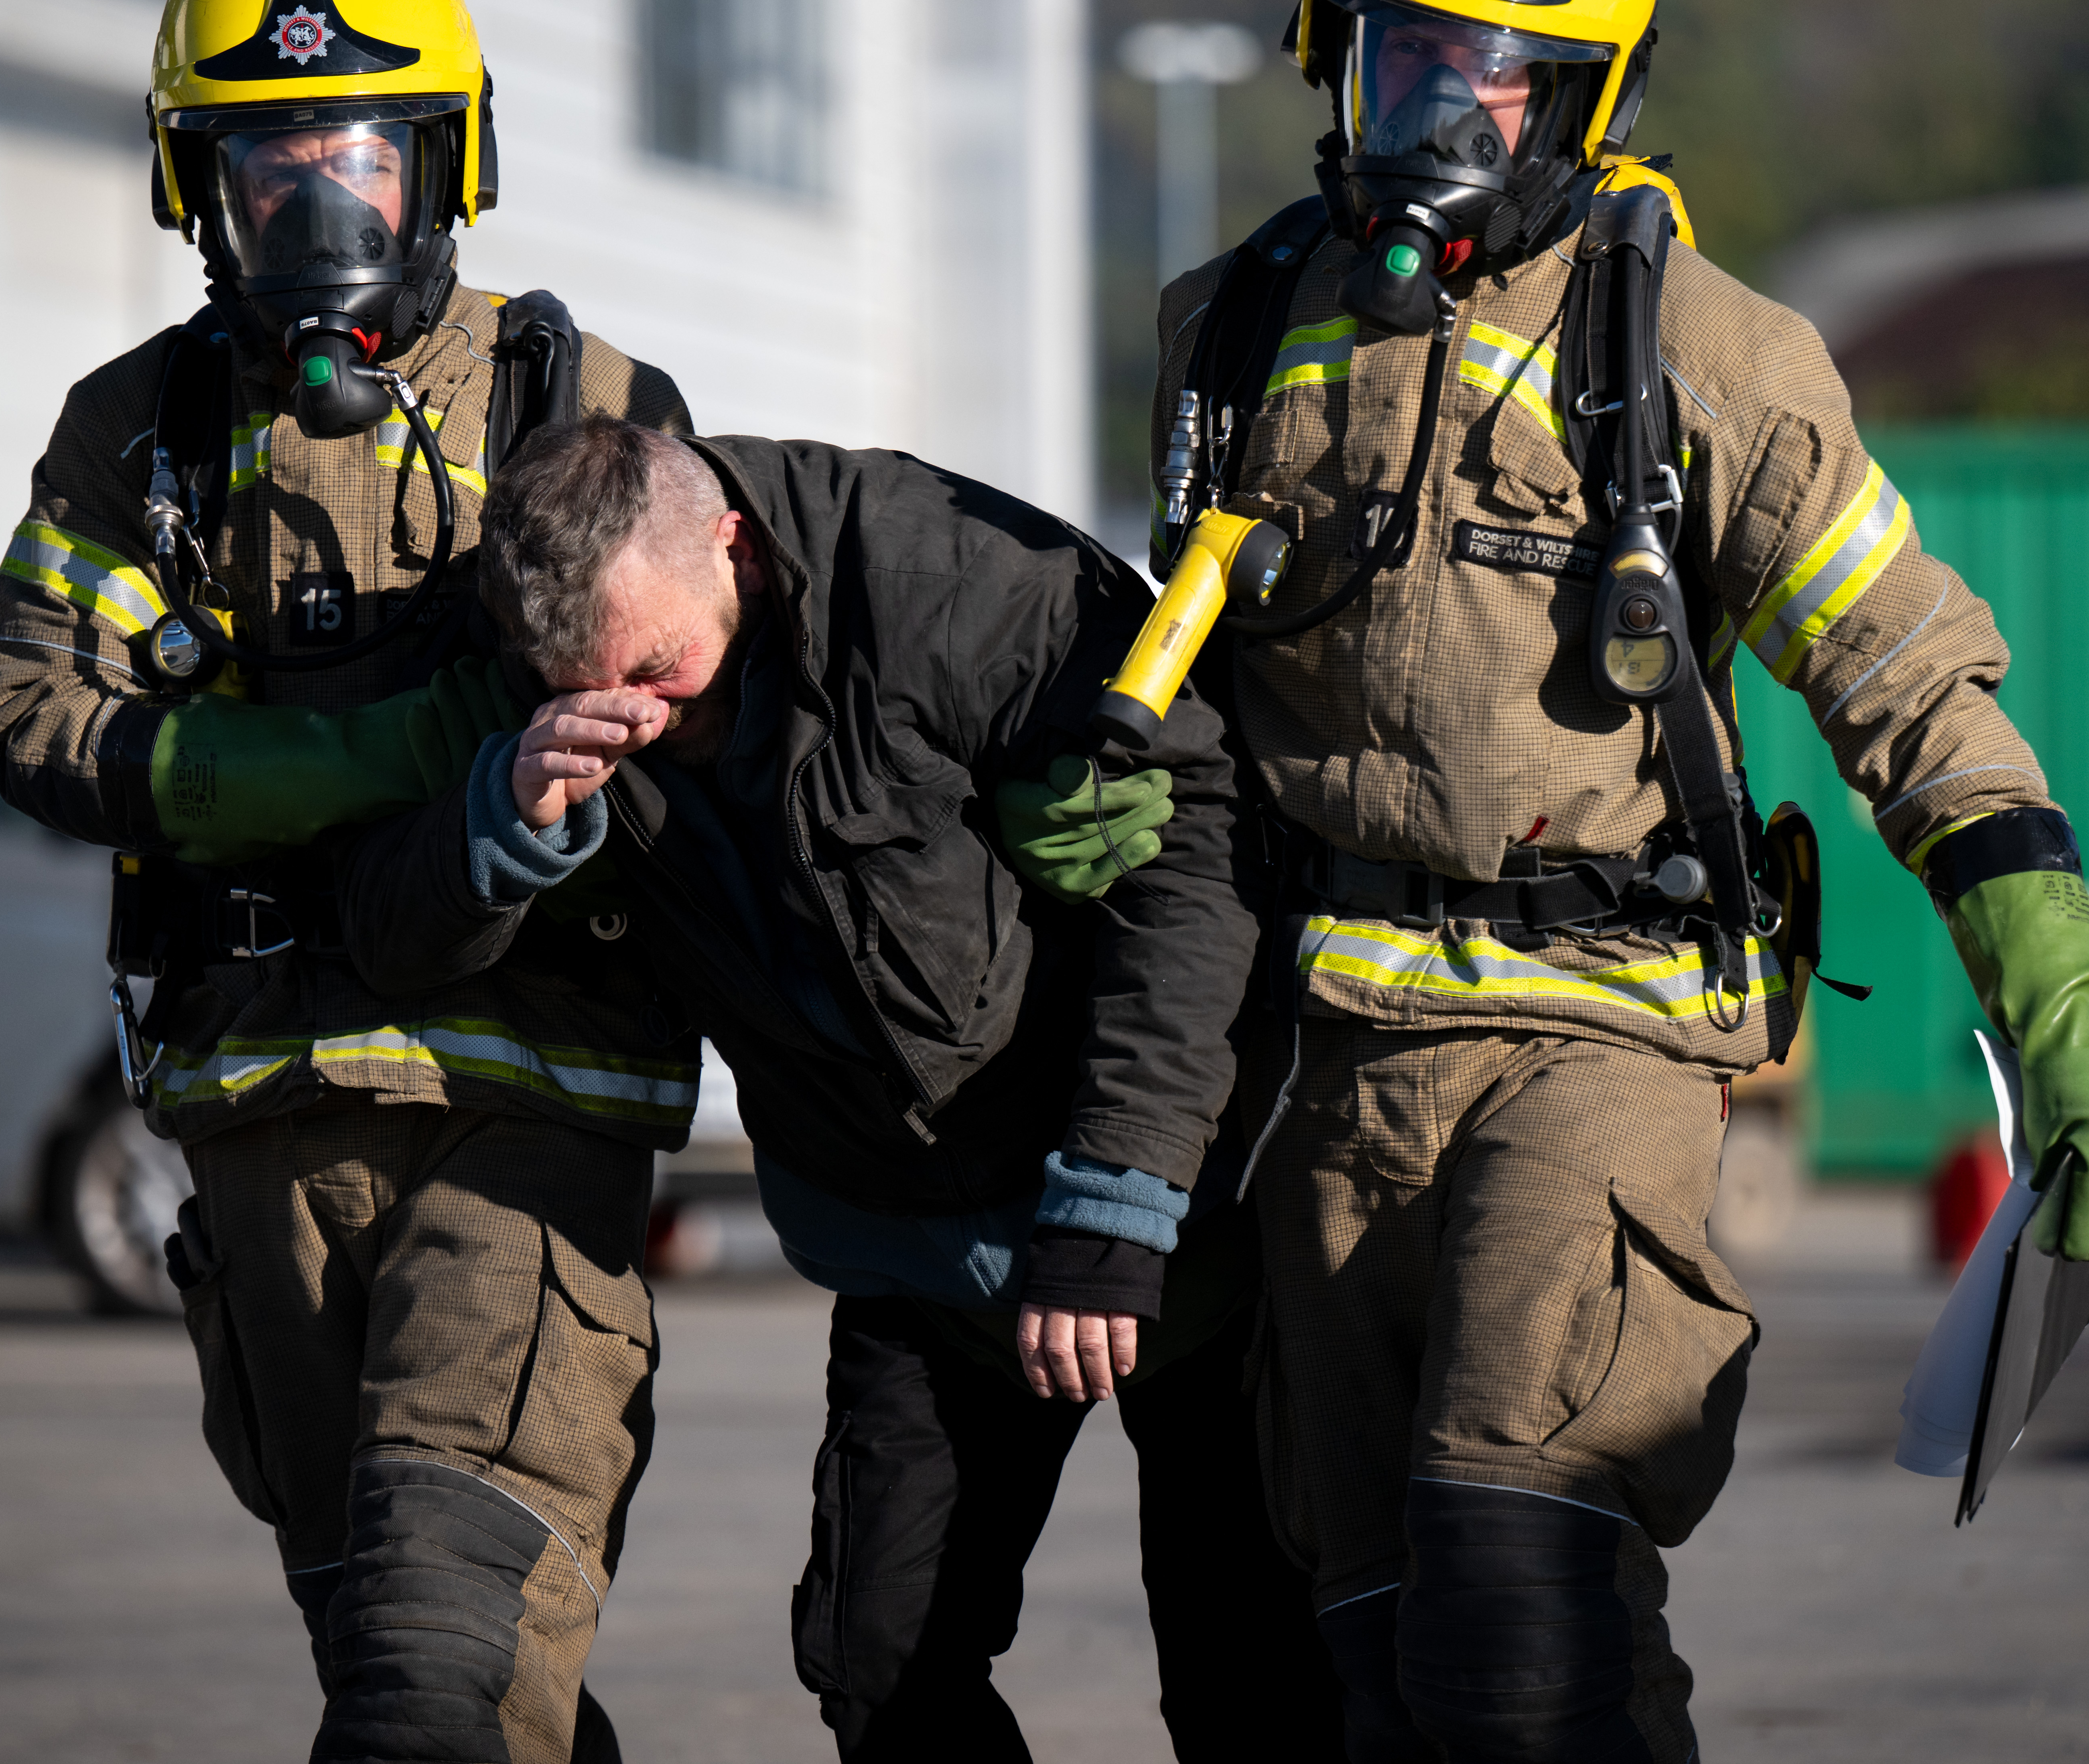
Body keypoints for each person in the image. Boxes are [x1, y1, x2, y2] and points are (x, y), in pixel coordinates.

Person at [1141, 0, 2089, 1760]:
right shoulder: (1235, 337)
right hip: (1326, 1069)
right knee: (1382, 1669)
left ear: (1583, 97)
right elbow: (1181, 694)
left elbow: (1910, 678)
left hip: (1597, 1039)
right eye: (1394, 59)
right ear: (1321, 49)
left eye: (1493, 79)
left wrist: (2059, 995)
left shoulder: (1705, 358)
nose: (1434, 120)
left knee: (1510, 1613)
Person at [0, 0, 702, 1761]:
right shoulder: (136, 434)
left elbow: (693, 708)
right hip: (258, 1109)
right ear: (189, 187)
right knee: (411, 1650)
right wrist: (379, 755)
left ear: (446, 164)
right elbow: (35, 712)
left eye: (356, 165)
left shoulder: (588, 409)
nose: (314, 220)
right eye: (264, 171)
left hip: (529, 1099)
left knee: (427, 1660)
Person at [333, 417, 1344, 1761]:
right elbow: (387, 934)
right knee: (879, 1665)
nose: (644, 718)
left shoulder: (944, 575)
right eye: (591, 690)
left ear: (730, 545)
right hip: (901, 1241)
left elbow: (1200, 852)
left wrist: (1120, 1194)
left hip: (1164, 1224)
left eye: (663, 671)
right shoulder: (523, 667)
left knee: (1248, 1680)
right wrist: (503, 820)